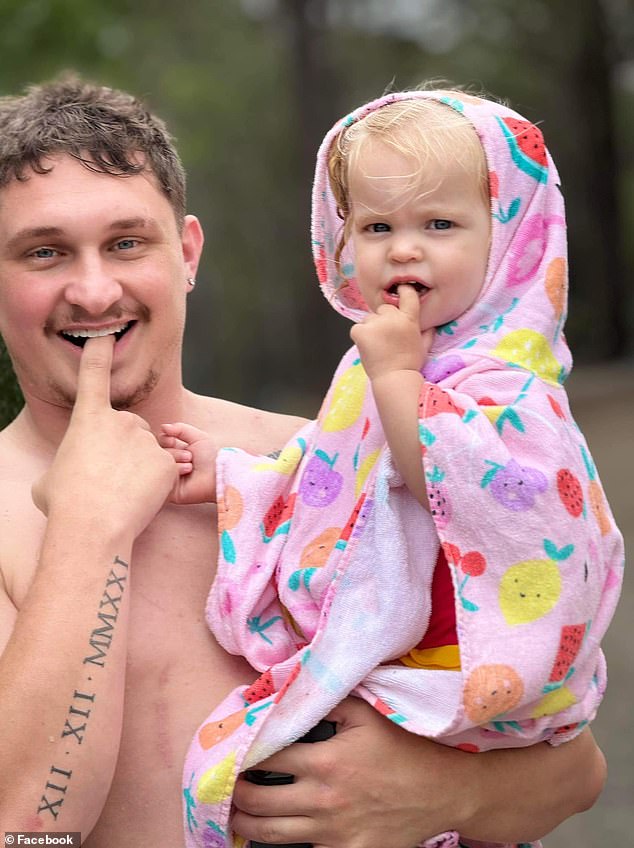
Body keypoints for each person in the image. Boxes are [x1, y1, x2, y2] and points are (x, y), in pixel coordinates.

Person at [0, 76, 608, 848]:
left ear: (186, 253)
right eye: (44, 253)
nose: (93, 291)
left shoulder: (333, 460)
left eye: (127, 243)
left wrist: (449, 793)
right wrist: (88, 533)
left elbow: (576, 766)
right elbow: (21, 833)